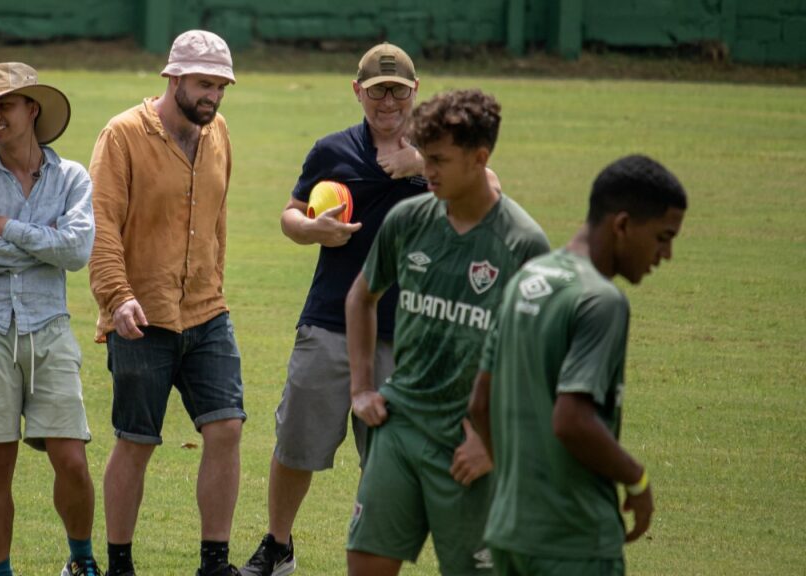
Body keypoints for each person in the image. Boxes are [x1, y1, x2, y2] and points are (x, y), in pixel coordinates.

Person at [239, 42, 435, 576]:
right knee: (297, 442)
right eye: (376, 91)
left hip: (405, 329)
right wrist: (312, 229)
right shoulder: (332, 151)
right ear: (357, 92)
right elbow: (290, 214)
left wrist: (422, 163)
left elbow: (487, 190)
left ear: (415, 92)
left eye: (397, 90)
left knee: (389, 458)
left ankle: (375, 555)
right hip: (330, 321)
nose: (387, 101)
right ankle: (278, 546)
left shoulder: (441, 152)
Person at [344, 89, 550, 576]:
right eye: (422, 155)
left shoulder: (522, 243)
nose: (425, 169)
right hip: (401, 426)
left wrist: (494, 442)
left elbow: (544, 362)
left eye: (437, 159)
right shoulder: (409, 220)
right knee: (365, 562)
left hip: (469, 445)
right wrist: (360, 388)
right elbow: (361, 297)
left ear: (480, 158)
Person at [468, 155, 687, 576]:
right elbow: (571, 421)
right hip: (575, 540)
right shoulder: (601, 301)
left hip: (509, 530)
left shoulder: (525, 280)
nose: (667, 254)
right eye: (663, 237)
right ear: (622, 225)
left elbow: (480, 403)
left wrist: (516, 488)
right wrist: (637, 480)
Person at [87, 30, 243, 576]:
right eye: (204, 84)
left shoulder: (218, 131)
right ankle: (120, 565)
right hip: (140, 315)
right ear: (172, 78)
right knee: (136, 441)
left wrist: (214, 284)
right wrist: (116, 296)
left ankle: (214, 563)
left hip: (207, 310)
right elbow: (100, 225)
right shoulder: (122, 135)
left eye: (221, 86)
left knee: (227, 427)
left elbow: (218, 222)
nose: (214, 97)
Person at [0, 62, 101, 576]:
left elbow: (78, 251)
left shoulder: (73, 176)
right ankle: (1, 573)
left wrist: (8, 227)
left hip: (49, 325)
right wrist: (44, 242)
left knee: (73, 460)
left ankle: (81, 561)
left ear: (31, 108)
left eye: (4, 105)